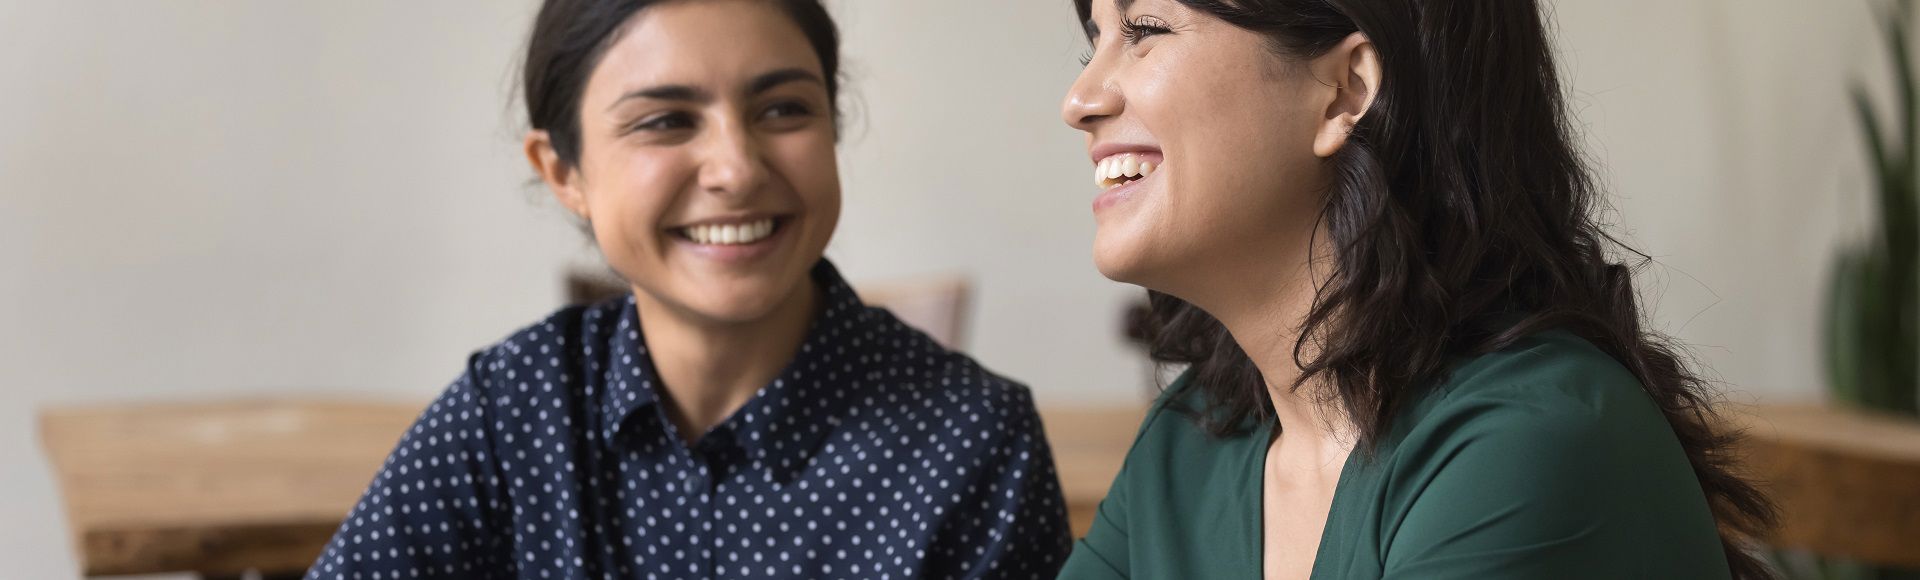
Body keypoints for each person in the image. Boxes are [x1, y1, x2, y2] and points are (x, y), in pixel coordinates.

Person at [306, 1, 1070, 577]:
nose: (735, 168)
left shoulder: (976, 443)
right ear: (563, 171)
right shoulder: (509, 416)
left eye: (783, 109)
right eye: (667, 120)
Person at [1054, 0, 1776, 578]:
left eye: (1144, 29)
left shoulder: (1527, 445)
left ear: (1347, 88)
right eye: (1096, 39)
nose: (1079, 99)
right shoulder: (1192, 445)